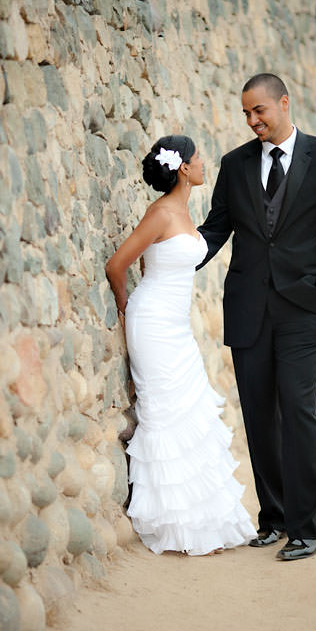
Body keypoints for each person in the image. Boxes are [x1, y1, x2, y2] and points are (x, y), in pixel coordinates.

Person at [196, 73, 316, 561]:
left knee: (297, 406)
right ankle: (275, 518)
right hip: (248, 309)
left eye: (259, 111)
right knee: (260, 413)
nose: (252, 121)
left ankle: (309, 525)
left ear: (284, 103)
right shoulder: (234, 164)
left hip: (304, 311)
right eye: (245, 114)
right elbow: (215, 228)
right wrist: (175, 254)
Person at [105, 135, 258, 556]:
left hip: (176, 326)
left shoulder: (184, 212)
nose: (204, 161)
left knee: (189, 412)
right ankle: (170, 519)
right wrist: (125, 307)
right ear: (184, 169)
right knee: (164, 411)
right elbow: (118, 264)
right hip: (152, 323)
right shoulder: (160, 213)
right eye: (198, 157)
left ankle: (197, 517)